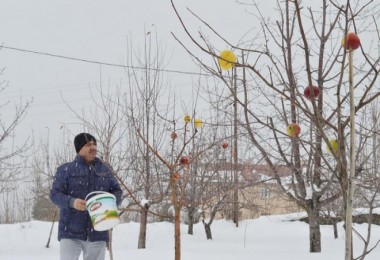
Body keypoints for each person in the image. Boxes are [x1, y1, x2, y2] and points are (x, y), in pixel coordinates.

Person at [50, 132, 123, 260]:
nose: (93, 147)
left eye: (94, 144)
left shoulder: (105, 169)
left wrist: (109, 204)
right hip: (70, 232)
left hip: (98, 230)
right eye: (88, 144)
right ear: (79, 149)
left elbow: (117, 191)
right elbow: (55, 194)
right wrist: (72, 202)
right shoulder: (66, 170)